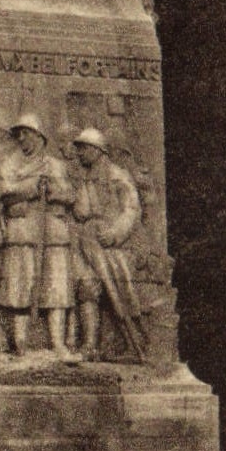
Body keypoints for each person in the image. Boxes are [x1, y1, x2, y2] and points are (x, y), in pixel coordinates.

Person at [0, 112, 76, 356]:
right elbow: (3, 192)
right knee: (19, 288)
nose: (22, 139)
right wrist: (29, 189)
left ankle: (58, 343)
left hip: (52, 234)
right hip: (21, 233)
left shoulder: (56, 165)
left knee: (56, 288)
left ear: (39, 137)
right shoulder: (10, 163)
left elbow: (71, 195)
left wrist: (52, 191)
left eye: (26, 133)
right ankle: (20, 342)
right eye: (19, 134)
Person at [70, 127, 145, 360]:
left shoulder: (117, 175)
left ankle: (135, 344)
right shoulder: (83, 177)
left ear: (96, 150)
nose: (79, 154)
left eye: (83, 149)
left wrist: (114, 233)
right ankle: (90, 345)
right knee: (87, 288)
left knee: (117, 292)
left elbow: (131, 209)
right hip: (87, 241)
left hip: (111, 245)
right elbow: (81, 211)